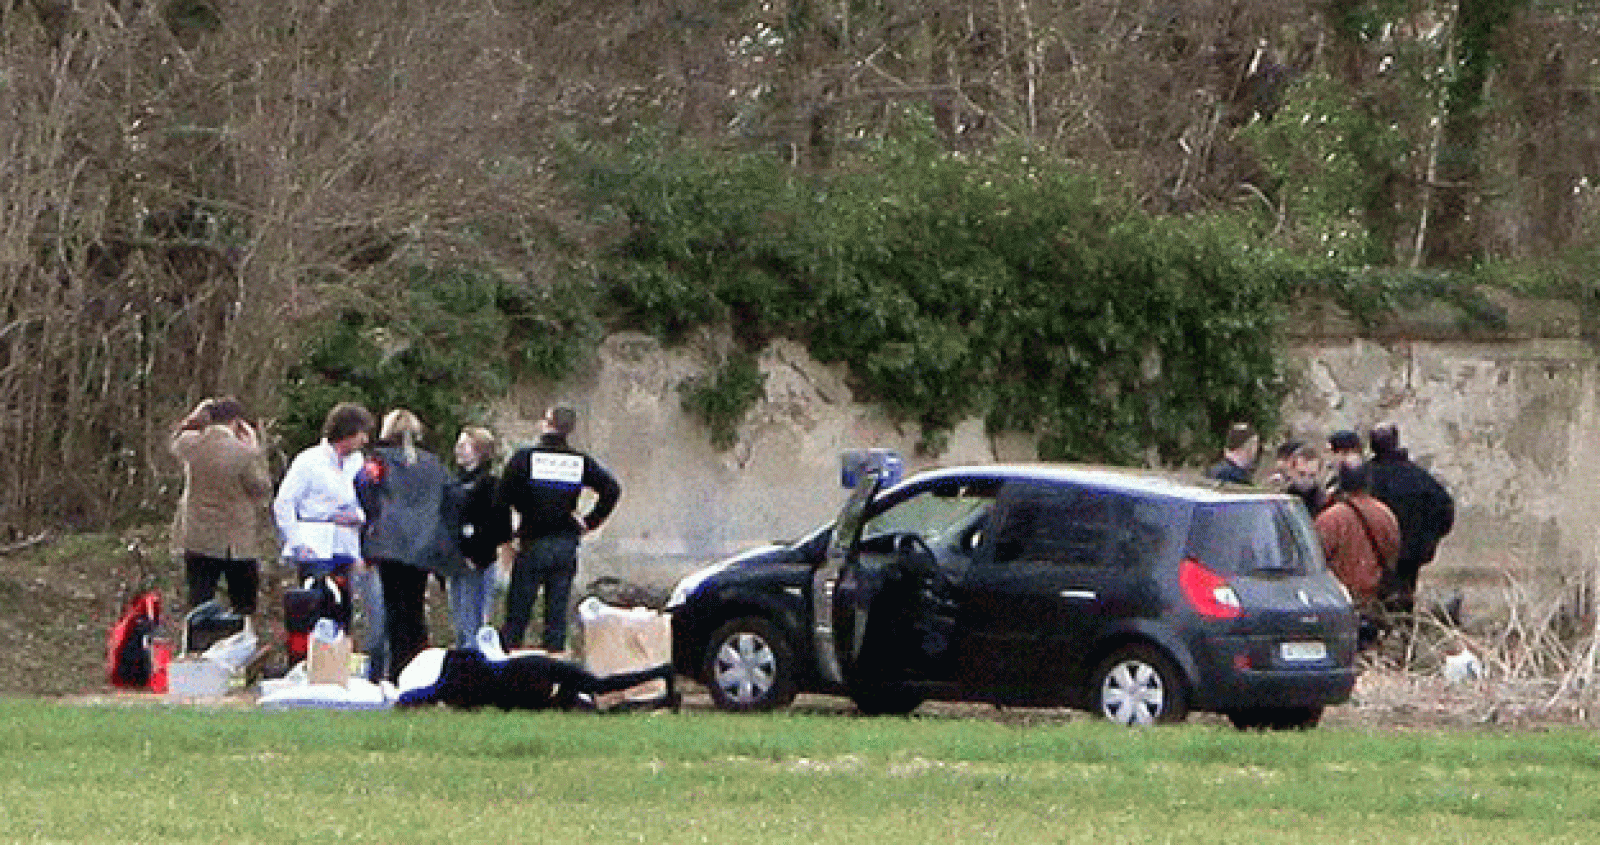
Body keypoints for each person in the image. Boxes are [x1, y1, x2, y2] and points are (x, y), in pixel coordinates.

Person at [496, 403, 621, 652]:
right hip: (565, 543)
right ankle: (554, 673)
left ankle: (508, 669)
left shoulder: (525, 458)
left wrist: (506, 539)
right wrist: (589, 521)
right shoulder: (578, 462)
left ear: (547, 423)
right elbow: (611, 489)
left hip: (532, 541)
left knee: (518, 613)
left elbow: (501, 499)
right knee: (556, 615)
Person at [358, 409, 463, 683]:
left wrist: (374, 520)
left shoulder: (378, 461)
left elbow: (363, 489)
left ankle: (396, 672)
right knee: (415, 608)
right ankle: (420, 670)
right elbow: (453, 497)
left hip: (389, 543)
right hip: (424, 544)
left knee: (394, 609)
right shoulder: (433, 464)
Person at [273, 402, 375, 659]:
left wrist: (358, 517)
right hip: (315, 546)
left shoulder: (358, 463)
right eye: (362, 433)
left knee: (342, 608)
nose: (365, 440)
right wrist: (295, 542)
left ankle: (337, 664)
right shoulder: (309, 461)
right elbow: (284, 502)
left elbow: (367, 502)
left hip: (345, 546)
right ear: (348, 432)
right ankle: (306, 662)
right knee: (314, 608)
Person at [169, 397, 272, 623]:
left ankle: (198, 643)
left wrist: (193, 418)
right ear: (237, 422)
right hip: (235, 540)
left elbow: (176, 438)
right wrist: (255, 448)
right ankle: (240, 642)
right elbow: (261, 488)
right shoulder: (243, 453)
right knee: (243, 605)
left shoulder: (191, 444)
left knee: (199, 599)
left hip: (197, 535)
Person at [1367, 422, 1455, 617]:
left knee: (1375, 608)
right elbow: (1445, 509)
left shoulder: (1367, 477)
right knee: (1403, 602)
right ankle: (1403, 637)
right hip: (1410, 554)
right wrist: (1428, 541)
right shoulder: (1419, 477)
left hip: (1374, 554)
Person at [1314, 461, 1401, 647]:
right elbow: (1393, 553)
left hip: (1340, 600)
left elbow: (1317, 560)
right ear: (1368, 482)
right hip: (1374, 600)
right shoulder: (1386, 514)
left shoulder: (1330, 519)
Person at [446, 426, 512, 649]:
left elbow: (499, 526)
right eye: (458, 445)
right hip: (455, 561)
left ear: (480, 451)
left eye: (465, 446)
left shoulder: (491, 484)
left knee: (473, 620)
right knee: (459, 620)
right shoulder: (454, 483)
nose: (458, 450)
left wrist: (475, 552)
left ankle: (473, 665)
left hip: (478, 561)